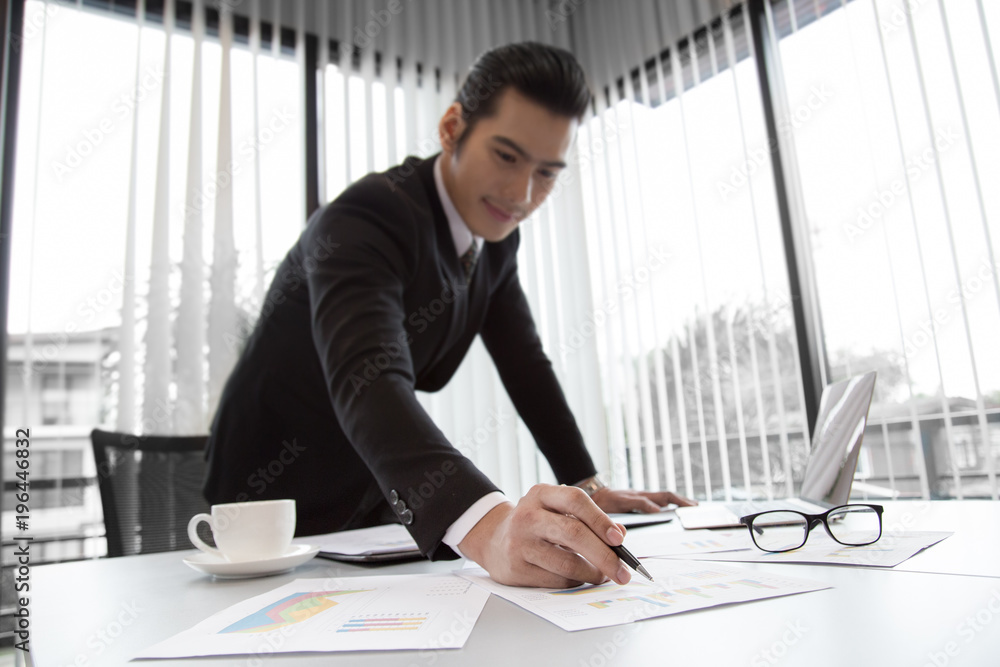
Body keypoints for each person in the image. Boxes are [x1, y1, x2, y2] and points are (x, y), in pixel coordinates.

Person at [204, 41, 694, 588]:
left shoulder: (496, 241)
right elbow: (369, 380)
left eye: (547, 174)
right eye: (506, 157)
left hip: (377, 484)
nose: (520, 194)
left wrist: (586, 483)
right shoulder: (367, 216)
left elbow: (526, 365)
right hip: (272, 493)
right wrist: (489, 527)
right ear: (452, 128)